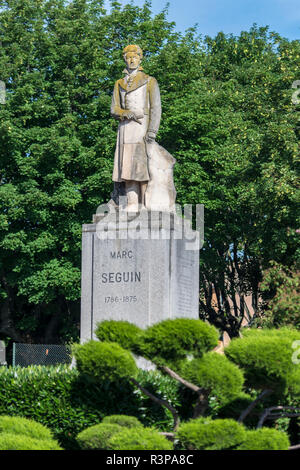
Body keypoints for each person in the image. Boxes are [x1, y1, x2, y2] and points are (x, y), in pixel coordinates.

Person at [111, 44, 161, 211]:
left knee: (143, 167)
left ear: (140, 59)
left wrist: (152, 131)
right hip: (125, 129)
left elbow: (156, 107)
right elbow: (114, 108)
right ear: (125, 59)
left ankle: (147, 203)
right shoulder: (119, 83)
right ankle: (132, 203)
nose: (132, 60)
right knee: (127, 166)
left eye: (135, 57)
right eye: (128, 57)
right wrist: (126, 113)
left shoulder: (149, 81)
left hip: (142, 128)